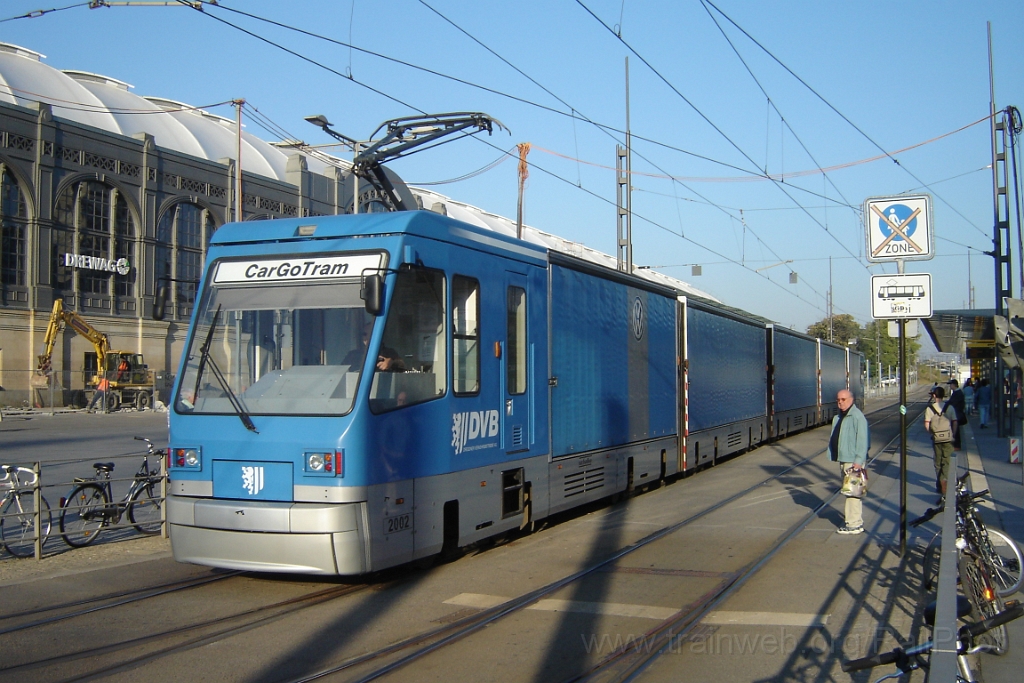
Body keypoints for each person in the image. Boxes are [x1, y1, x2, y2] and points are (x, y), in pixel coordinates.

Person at [829, 389, 869, 535]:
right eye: (838, 400)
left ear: (851, 400)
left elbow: (863, 440)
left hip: (853, 461)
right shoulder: (840, 417)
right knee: (850, 492)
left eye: (843, 399)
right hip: (845, 459)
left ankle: (854, 524)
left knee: (852, 493)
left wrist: (858, 461)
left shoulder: (857, 417)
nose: (840, 402)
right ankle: (854, 522)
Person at [924, 386, 958, 502]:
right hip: (948, 439)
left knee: (937, 462)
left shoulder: (930, 409)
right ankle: (945, 481)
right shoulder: (950, 407)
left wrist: (932, 434)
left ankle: (940, 484)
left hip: (936, 439)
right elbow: (955, 422)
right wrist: (953, 434)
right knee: (946, 461)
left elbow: (927, 425)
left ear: (934, 395)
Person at [946, 379, 967, 450]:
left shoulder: (958, 393)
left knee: (956, 430)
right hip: (956, 413)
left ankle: (957, 445)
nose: (950, 386)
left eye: (950, 384)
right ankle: (955, 444)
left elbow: (952, 403)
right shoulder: (957, 392)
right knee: (955, 429)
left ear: (954, 385)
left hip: (956, 413)